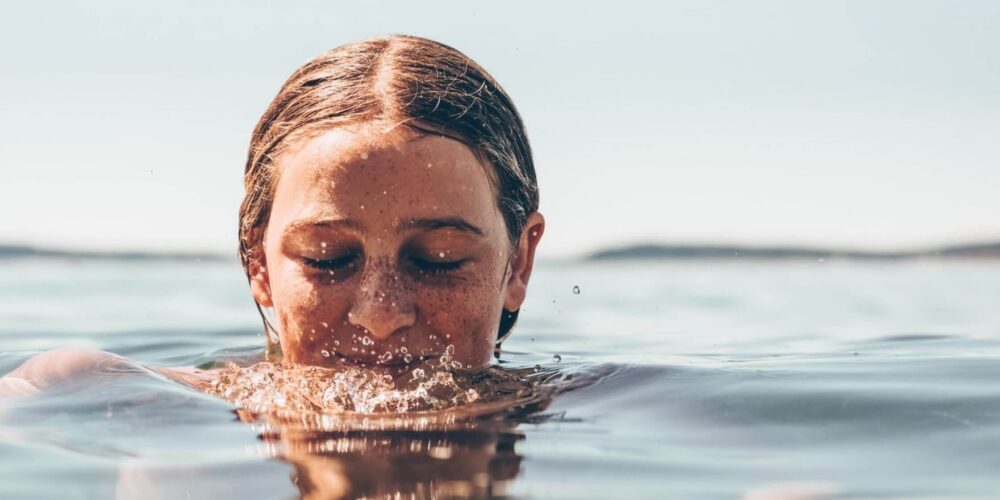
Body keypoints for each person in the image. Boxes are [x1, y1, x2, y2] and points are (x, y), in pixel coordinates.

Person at [0, 34, 544, 394]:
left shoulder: (606, 410)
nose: (380, 314)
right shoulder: (91, 393)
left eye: (438, 259)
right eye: (327, 258)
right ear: (258, 262)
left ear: (517, 265)